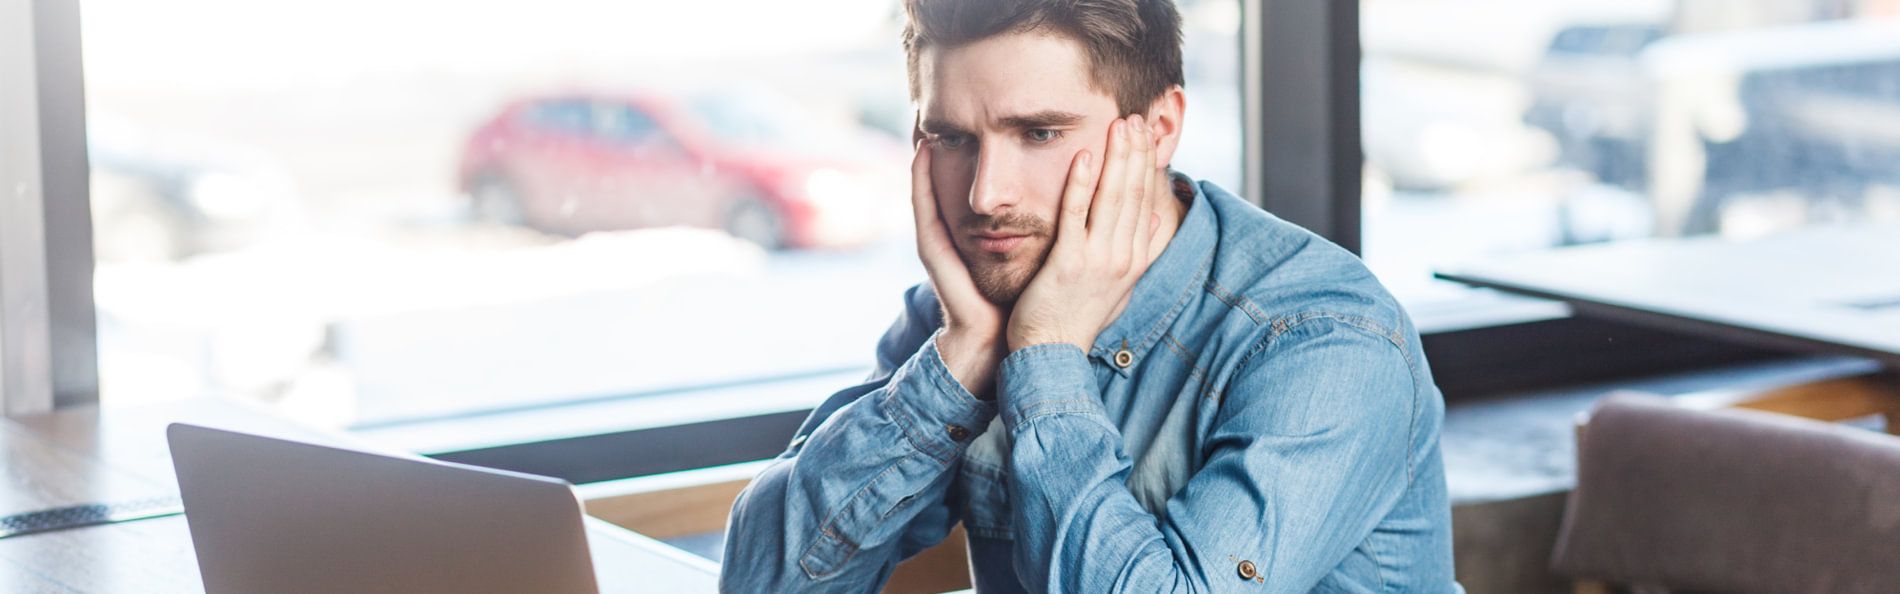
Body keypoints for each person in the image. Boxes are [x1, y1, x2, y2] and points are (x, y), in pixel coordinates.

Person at [722, 0, 1460, 591]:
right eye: (951, 138)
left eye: (1039, 133)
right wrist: (959, 366)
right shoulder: (971, 308)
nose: (985, 195)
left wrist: (1045, 357)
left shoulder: (1326, 339)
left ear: (1160, 129)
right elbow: (760, 582)